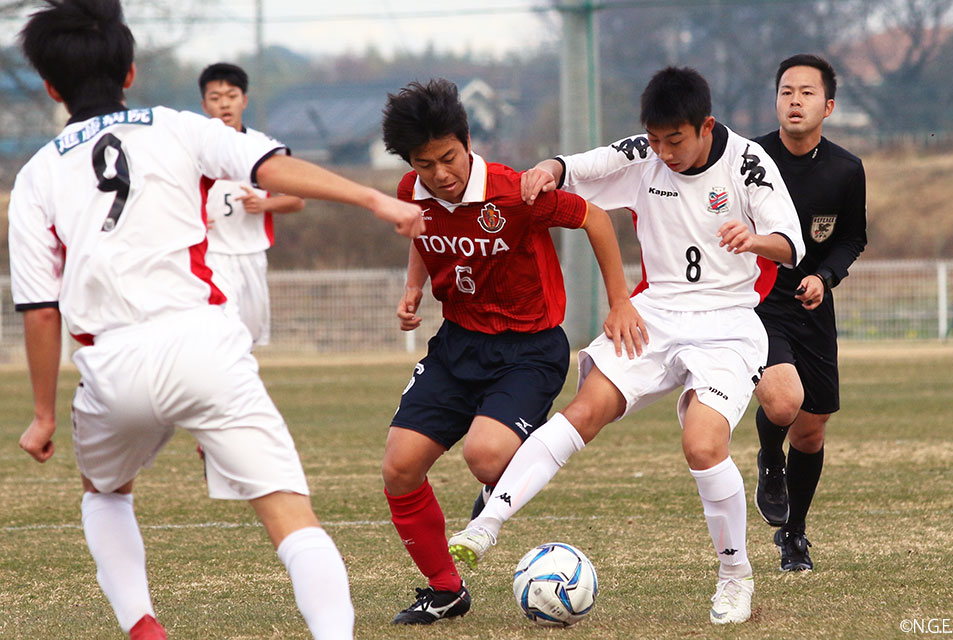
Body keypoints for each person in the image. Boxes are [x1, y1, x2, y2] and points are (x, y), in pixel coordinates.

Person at [9, 2, 423, 639]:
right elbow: (269, 167)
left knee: (103, 490)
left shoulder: (37, 176)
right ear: (130, 73)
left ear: (51, 88)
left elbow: (40, 310)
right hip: (204, 345)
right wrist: (372, 197)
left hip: (111, 363)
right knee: (290, 513)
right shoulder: (177, 126)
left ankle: (144, 626)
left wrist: (41, 416)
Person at [447, 67, 806, 625]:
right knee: (584, 410)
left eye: (675, 141)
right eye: (655, 140)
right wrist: (549, 167)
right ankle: (486, 524)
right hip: (655, 313)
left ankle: (735, 578)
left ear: (705, 126)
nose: (663, 153)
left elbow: (790, 245)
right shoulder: (647, 154)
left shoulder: (748, 164)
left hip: (728, 322)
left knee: (703, 445)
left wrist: (754, 238)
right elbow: (585, 167)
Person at [379, 78, 644, 625]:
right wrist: (414, 286)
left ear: (468, 140)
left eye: (448, 157)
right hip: (457, 344)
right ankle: (445, 590)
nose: (440, 175)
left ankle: (502, 486)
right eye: (424, 164)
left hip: (529, 349)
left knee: (487, 456)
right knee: (400, 467)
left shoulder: (514, 192)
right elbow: (422, 233)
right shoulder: (412, 190)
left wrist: (620, 301)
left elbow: (594, 218)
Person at [751, 54, 867, 571]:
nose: (794, 101)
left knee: (812, 428)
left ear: (829, 105)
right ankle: (769, 459)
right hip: (760, 301)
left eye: (806, 93)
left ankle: (794, 534)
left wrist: (826, 277)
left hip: (813, 302)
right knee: (782, 404)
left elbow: (851, 238)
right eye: (786, 92)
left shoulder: (846, 169)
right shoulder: (751, 159)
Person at [198, 62, 304, 346]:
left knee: (249, 339)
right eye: (216, 98)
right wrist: (189, 215)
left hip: (252, 255)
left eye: (231, 96)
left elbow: (297, 199)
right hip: (211, 255)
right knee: (223, 334)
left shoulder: (263, 148)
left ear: (243, 100)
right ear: (204, 104)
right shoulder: (193, 149)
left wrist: (265, 205)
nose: (224, 104)